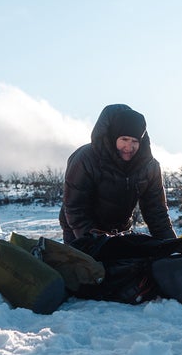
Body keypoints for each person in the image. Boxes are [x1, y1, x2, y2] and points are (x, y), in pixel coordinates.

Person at [59, 103, 176, 252]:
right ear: (113, 137)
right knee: (89, 271)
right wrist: (95, 243)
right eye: (124, 139)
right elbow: (76, 209)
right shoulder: (85, 159)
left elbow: (157, 214)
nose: (129, 147)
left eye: (135, 141)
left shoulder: (149, 167)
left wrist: (172, 248)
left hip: (119, 230)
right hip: (79, 230)